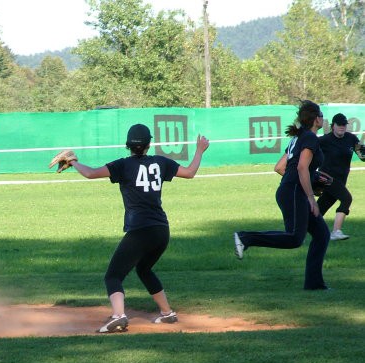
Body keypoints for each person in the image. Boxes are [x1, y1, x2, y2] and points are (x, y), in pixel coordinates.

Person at [66, 123, 210, 333]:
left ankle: (119, 317)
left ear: (128, 145)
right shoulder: (160, 162)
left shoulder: (123, 165)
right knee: (143, 269)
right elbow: (189, 173)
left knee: (113, 276)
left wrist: (73, 162)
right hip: (161, 230)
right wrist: (199, 150)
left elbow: (90, 173)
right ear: (149, 144)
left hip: (140, 230)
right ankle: (167, 314)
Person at [233, 100, 330, 290]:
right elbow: (301, 167)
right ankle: (245, 238)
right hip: (294, 192)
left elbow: (280, 168)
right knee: (294, 238)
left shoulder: (299, 137)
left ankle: (314, 284)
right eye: (321, 116)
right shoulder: (310, 138)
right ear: (316, 119)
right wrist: (311, 196)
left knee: (322, 234)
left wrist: (308, 181)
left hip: (291, 190)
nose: (323, 119)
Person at [317, 112, 365, 241]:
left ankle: (299, 230)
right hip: (327, 178)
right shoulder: (325, 139)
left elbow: (363, 157)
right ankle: (336, 231)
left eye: (344, 124)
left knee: (319, 209)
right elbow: (309, 148)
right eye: (339, 125)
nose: (342, 127)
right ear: (333, 126)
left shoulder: (351, 138)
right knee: (346, 198)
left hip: (341, 180)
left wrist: (363, 144)